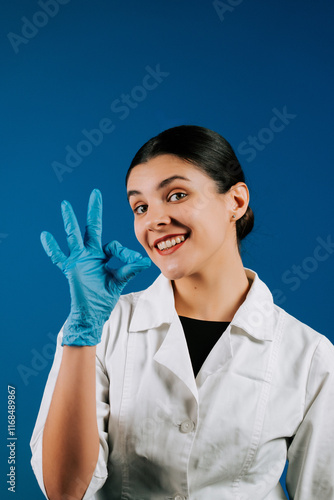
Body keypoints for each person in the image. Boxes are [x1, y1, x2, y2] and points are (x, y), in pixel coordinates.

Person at [31, 125, 334, 500]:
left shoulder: (310, 355)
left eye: (176, 195)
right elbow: (63, 490)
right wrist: (83, 332)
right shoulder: (98, 329)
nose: (154, 220)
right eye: (140, 207)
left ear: (236, 202)